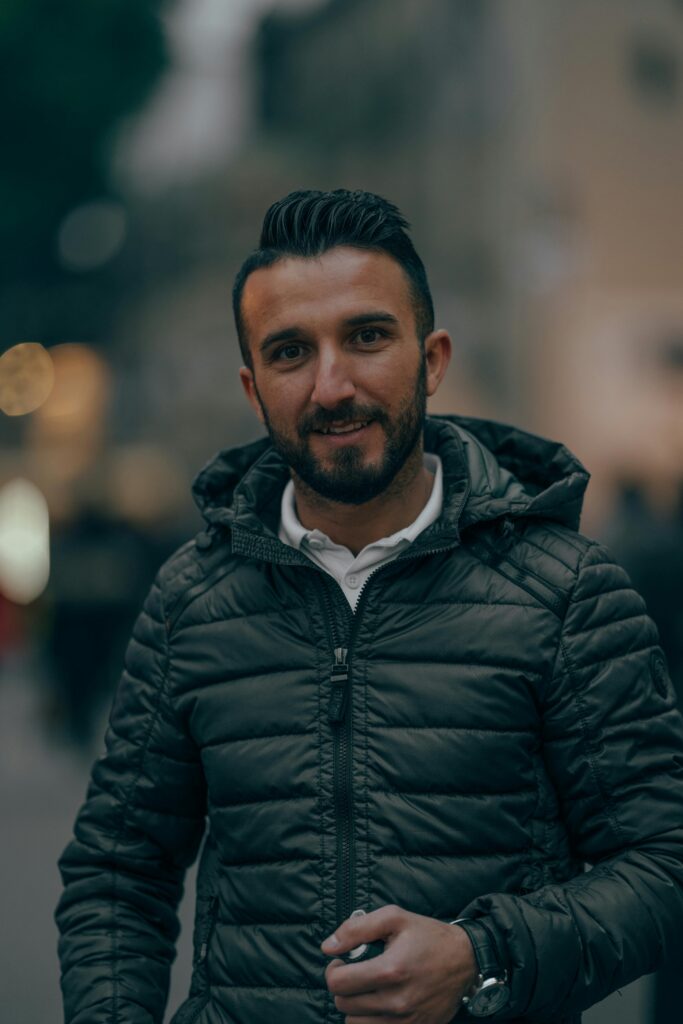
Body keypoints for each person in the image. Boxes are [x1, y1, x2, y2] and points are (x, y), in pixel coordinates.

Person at [55, 189, 683, 1024]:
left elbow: (663, 864)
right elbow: (116, 874)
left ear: (431, 360)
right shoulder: (192, 600)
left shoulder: (564, 591)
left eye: (366, 337)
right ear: (254, 390)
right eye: (289, 352)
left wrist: (481, 955)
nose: (331, 384)